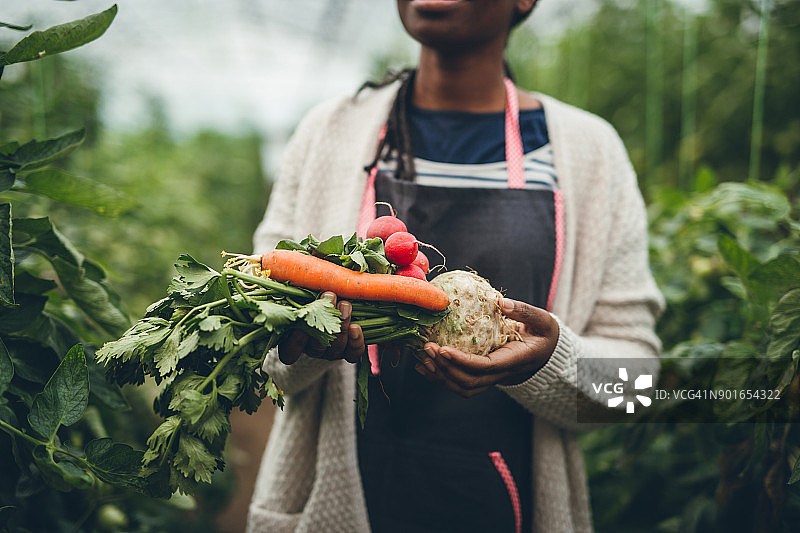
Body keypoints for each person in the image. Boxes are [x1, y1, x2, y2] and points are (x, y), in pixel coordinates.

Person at [247, 1, 664, 532]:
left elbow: (636, 386)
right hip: (345, 506)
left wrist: (549, 361)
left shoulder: (589, 154)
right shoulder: (329, 134)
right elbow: (262, 344)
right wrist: (308, 340)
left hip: (508, 505)